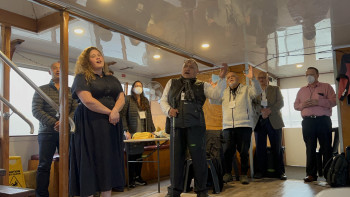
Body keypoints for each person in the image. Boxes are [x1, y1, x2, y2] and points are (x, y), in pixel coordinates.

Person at [160, 59, 227, 197]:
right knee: (176, 160)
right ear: (181, 69)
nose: (188, 68)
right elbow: (163, 100)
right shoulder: (171, 82)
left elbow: (216, 95)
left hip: (196, 127)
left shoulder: (202, 85)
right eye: (185, 65)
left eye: (192, 66)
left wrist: (221, 79)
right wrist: (168, 110)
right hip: (176, 126)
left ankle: (202, 192)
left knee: (199, 159)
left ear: (197, 71)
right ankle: (174, 191)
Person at [69, 47, 125, 197]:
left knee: (109, 159)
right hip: (90, 122)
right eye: (93, 56)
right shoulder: (82, 77)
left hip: (111, 123)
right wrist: (110, 112)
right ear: (87, 61)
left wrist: (115, 111)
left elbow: (121, 97)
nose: (98, 58)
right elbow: (88, 101)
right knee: (90, 158)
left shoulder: (112, 78)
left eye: (99, 55)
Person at [32, 62, 77, 197]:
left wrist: (64, 123)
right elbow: (36, 110)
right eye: (55, 68)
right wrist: (55, 123)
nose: (58, 70)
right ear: (49, 72)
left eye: (61, 68)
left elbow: (75, 109)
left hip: (67, 133)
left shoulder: (71, 91)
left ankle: (69, 193)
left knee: (69, 164)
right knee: (44, 166)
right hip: (46, 133)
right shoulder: (41, 89)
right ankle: (41, 195)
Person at [210, 66, 262, 184]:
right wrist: (214, 88)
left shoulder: (246, 89)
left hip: (244, 125)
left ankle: (244, 174)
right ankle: (228, 173)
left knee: (243, 152)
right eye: (228, 77)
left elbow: (257, 91)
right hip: (227, 127)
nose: (230, 78)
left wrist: (253, 79)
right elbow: (213, 100)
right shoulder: (223, 92)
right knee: (227, 151)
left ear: (238, 79)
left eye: (233, 76)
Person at [294, 67, 336, 182]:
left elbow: (334, 101)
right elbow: (296, 105)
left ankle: (328, 174)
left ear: (318, 75)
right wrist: (303, 105)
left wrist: (319, 102)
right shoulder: (302, 90)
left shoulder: (326, 86)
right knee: (310, 148)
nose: (309, 76)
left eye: (311, 74)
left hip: (323, 121)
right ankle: (311, 174)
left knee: (326, 147)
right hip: (308, 122)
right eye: (307, 74)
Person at [121, 80, 156, 188]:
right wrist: (125, 130)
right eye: (136, 86)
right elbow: (122, 115)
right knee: (131, 156)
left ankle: (138, 177)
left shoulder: (145, 100)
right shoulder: (128, 99)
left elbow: (149, 116)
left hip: (142, 134)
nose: (138, 88)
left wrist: (152, 130)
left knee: (139, 157)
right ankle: (131, 180)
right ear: (132, 88)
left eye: (140, 86)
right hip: (131, 134)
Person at [253, 72, 287, 180]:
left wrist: (269, 110)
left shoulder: (275, 89)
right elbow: (252, 104)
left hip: (274, 121)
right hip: (259, 121)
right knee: (260, 148)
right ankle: (260, 171)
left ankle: (280, 172)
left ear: (268, 79)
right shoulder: (253, 91)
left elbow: (281, 103)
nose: (261, 79)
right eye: (259, 78)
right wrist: (261, 111)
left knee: (277, 147)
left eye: (263, 78)